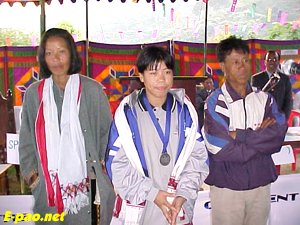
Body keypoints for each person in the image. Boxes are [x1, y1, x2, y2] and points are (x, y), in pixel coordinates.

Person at [18, 28, 115, 225]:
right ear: (43, 58)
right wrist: (32, 176)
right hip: (48, 186)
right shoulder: (33, 94)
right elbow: (26, 140)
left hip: (91, 182)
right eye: (49, 53)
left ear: (71, 53)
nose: (56, 58)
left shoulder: (92, 90)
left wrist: (106, 172)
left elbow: (109, 135)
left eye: (61, 51)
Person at [105, 46, 209, 225]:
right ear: (141, 76)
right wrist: (153, 194)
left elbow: (198, 159)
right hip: (141, 208)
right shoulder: (127, 115)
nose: (162, 79)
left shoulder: (185, 112)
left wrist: (183, 194)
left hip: (177, 208)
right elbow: (116, 165)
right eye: (153, 72)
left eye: (167, 72)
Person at [202, 36, 287, 225]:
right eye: (235, 62)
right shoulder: (216, 103)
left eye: (246, 60)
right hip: (227, 188)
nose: (243, 66)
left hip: (260, 185)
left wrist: (239, 135)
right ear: (223, 66)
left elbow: (278, 136)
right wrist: (260, 141)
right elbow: (221, 149)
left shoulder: (264, 99)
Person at [251, 50, 293, 119]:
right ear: (265, 62)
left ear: (278, 62)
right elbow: (255, 100)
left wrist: (283, 118)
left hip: (280, 120)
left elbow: (288, 100)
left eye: (274, 59)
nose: (272, 62)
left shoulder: (285, 79)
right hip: (262, 120)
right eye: (269, 59)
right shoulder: (256, 78)